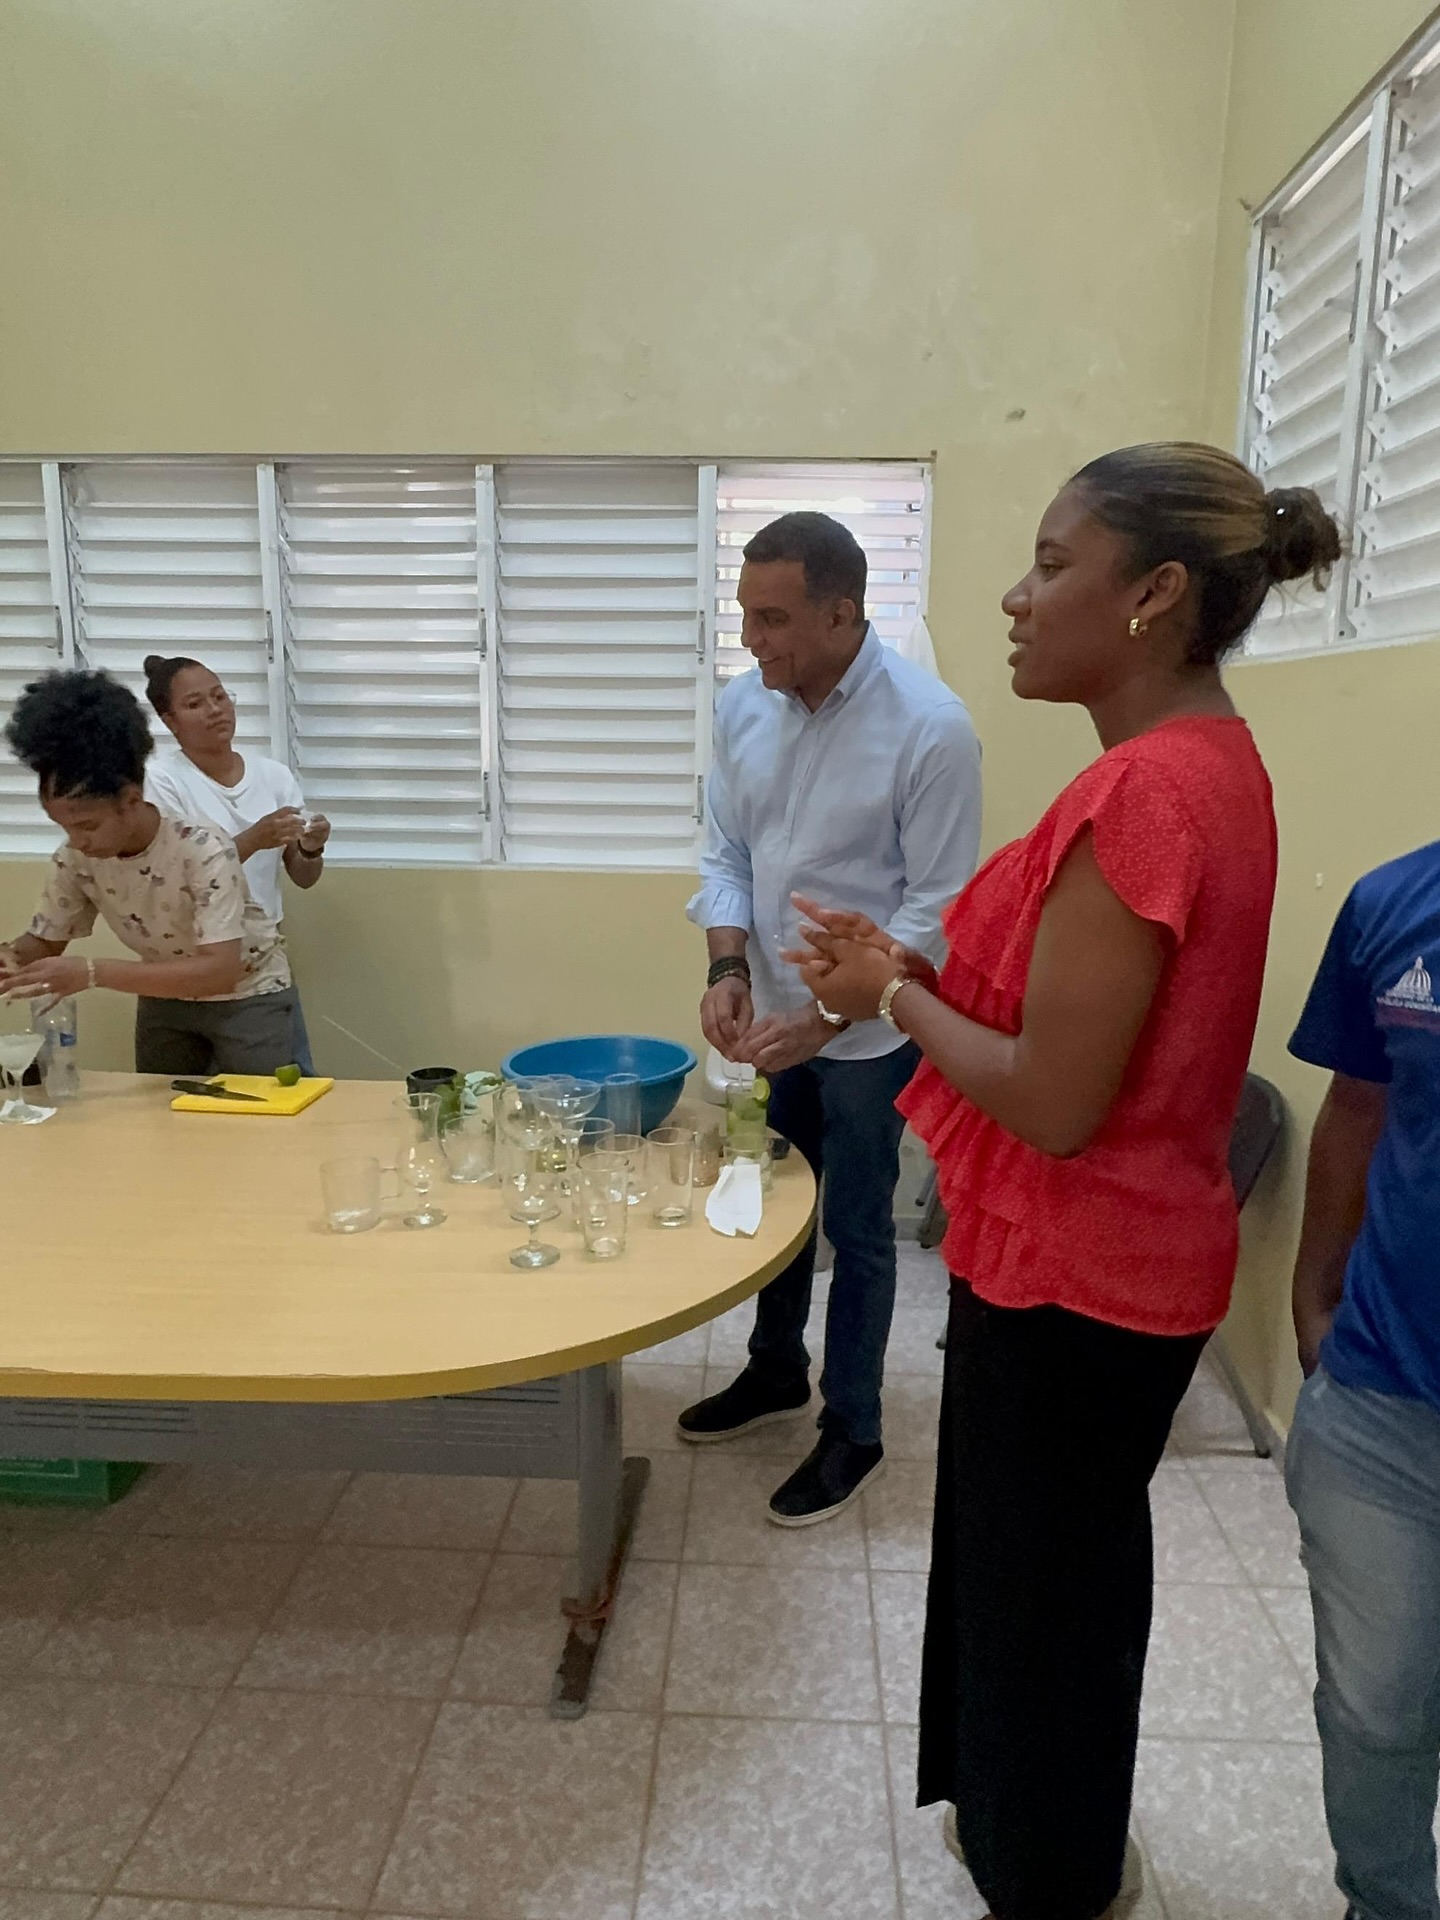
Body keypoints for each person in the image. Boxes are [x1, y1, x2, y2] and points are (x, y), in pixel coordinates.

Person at [785, 443, 1337, 1920]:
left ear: (1154, 594)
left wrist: (892, 995)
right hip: (1101, 1261)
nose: (1016, 599)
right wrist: (899, 970)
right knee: (1046, 1575)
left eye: (1049, 564)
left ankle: (1050, 1876)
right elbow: (1076, 1025)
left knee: (1044, 1600)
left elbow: (1053, 1095)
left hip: (1083, 1275)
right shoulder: (1204, 762)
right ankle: (1038, 1842)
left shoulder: (1147, 793)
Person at [680, 509, 982, 1525]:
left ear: (842, 613)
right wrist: (729, 965)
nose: (752, 640)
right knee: (778, 1208)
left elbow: (935, 909)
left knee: (857, 1226)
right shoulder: (743, 707)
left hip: (871, 1038)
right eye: (745, 616)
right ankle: (776, 1370)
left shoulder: (930, 728)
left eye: (773, 619)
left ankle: (854, 1424)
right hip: (772, 1020)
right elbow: (727, 852)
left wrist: (826, 1014)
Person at [1287, 844, 1440, 1920]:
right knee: (1375, 1710)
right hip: (1381, 1399)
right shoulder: (1394, 903)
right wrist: (1313, 1297)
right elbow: (1356, 1104)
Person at [0, 669, 297, 1073]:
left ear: (131, 799)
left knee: (256, 1107)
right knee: (159, 1108)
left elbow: (220, 970)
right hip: (164, 997)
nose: (78, 840)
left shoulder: (203, 848)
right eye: (64, 827)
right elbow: (45, 940)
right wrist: (11, 958)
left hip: (248, 996)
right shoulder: (76, 859)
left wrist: (92, 973)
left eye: (87, 825)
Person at [142, 655, 328, 1074]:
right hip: (181, 965)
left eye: (220, 696)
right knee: (175, 1100)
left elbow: (303, 877)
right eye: (195, 704)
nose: (215, 710)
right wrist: (254, 838)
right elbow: (173, 877)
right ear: (170, 721)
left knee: (277, 1094)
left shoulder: (274, 776)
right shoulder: (161, 780)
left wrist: (311, 849)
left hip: (257, 965)